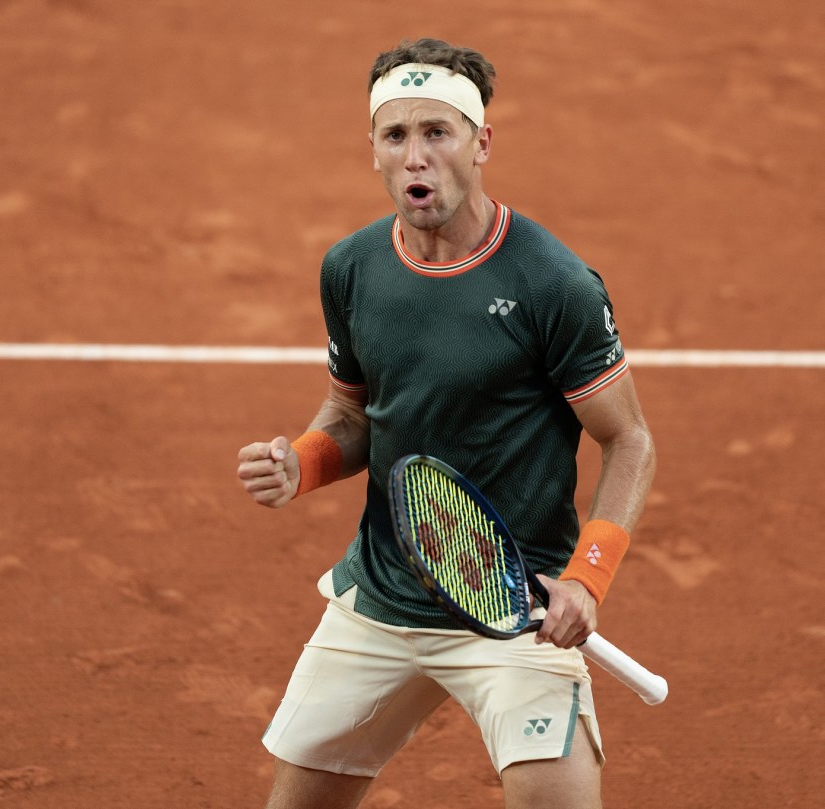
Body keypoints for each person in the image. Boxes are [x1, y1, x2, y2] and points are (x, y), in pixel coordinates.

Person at [236, 37, 656, 809]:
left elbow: (628, 439)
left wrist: (587, 579)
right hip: (385, 598)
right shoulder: (352, 268)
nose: (416, 156)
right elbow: (355, 413)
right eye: (396, 136)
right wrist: (304, 461)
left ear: (481, 142)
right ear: (373, 151)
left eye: (438, 131)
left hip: (515, 607)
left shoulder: (552, 282)